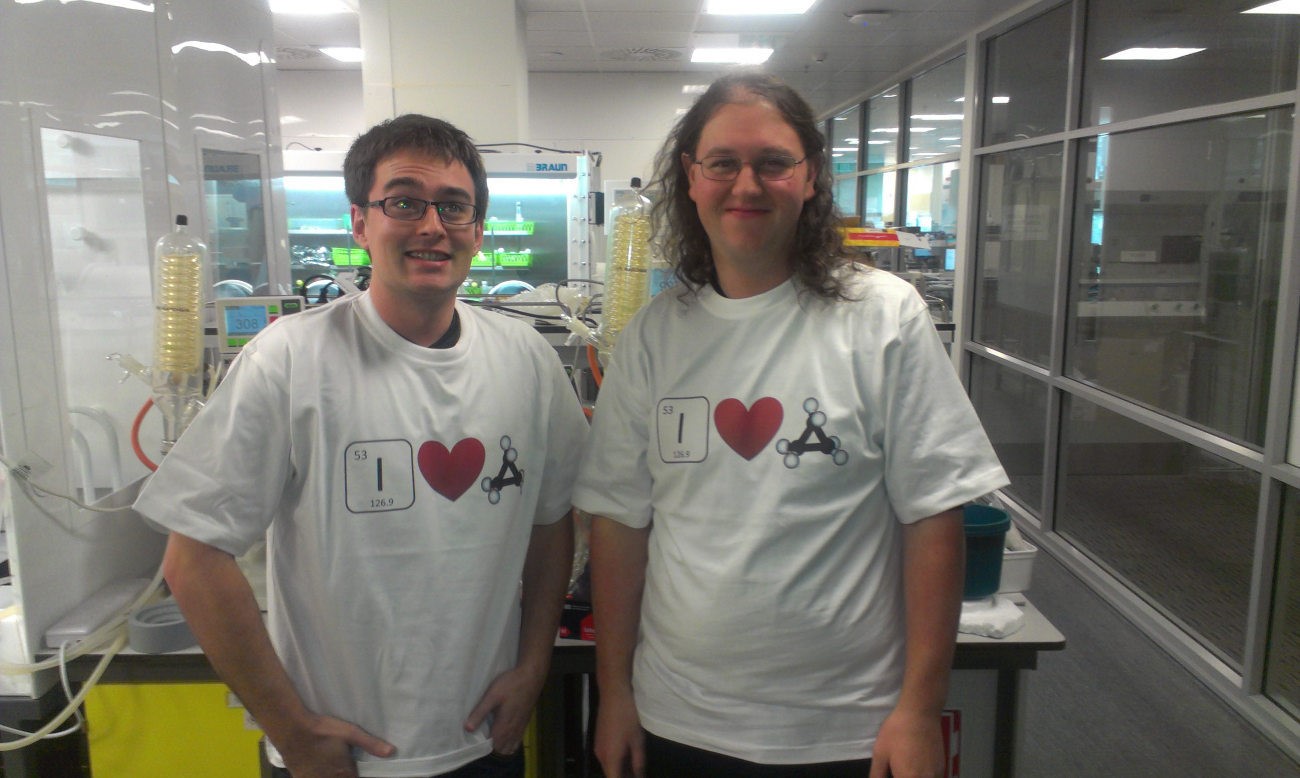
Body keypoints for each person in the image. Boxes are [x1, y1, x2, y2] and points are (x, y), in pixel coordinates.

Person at [573, 72, 1009, 778]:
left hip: (847, 731)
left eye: (773, 162)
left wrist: (920, 709)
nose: (747, 183)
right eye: (723, 163)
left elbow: (934, 516)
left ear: (809, 179)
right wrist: (615, 692)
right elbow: (621, 525)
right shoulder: (656, 336)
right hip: (678, 720)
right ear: (691, 178)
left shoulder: (883, 315)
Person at [134, 114, 588, 778]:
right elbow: (192, 561)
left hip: (483, 742)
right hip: (338, 756)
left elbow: (552, 521)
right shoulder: (286, 360)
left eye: (454, 207)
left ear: (477, 232)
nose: (433, 225)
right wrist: (293, 731)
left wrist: (533, 665)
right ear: (359, 222)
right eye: (404, 202)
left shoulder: (525, 359)